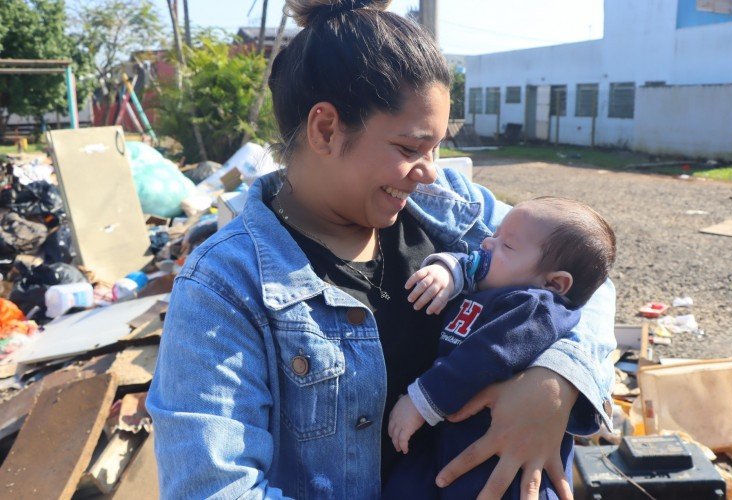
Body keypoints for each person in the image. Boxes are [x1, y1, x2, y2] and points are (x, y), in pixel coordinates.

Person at [146, 1, 618, 499]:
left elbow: (584, 274)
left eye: (436, 148)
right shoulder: (225, 286)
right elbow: (215, 488)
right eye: (410, 148)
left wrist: (555, 381)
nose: (431, 171)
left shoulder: (448, 206)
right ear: (325, 129)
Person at [385, 197, 617, 499]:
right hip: (450, 438)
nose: (486, 244)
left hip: (500, 461)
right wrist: (446, 271)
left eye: (506, 246)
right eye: (494, 235)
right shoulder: (497, 284)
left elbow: (486, 355)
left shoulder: (536, 308)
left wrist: (421, 400)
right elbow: (467, 263)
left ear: (555, 284)